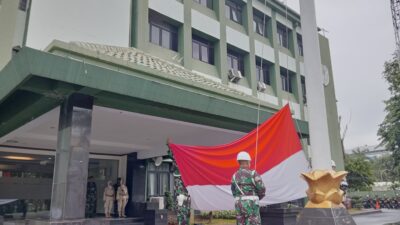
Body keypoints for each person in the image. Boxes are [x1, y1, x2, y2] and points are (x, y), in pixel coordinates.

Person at [231, 151, 266, 225]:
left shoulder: (234, 176)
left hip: (239, 203)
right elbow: (262, 189)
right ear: (247, 162)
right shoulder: (253, 174)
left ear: (239, 162)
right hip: (251, 203)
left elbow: (233, 192)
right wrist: (257, 197)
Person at [173, 160, 191, 225]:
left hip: (184, 197)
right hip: (182, 197)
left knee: (183, 212)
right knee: (181, 212)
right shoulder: (179, 180)